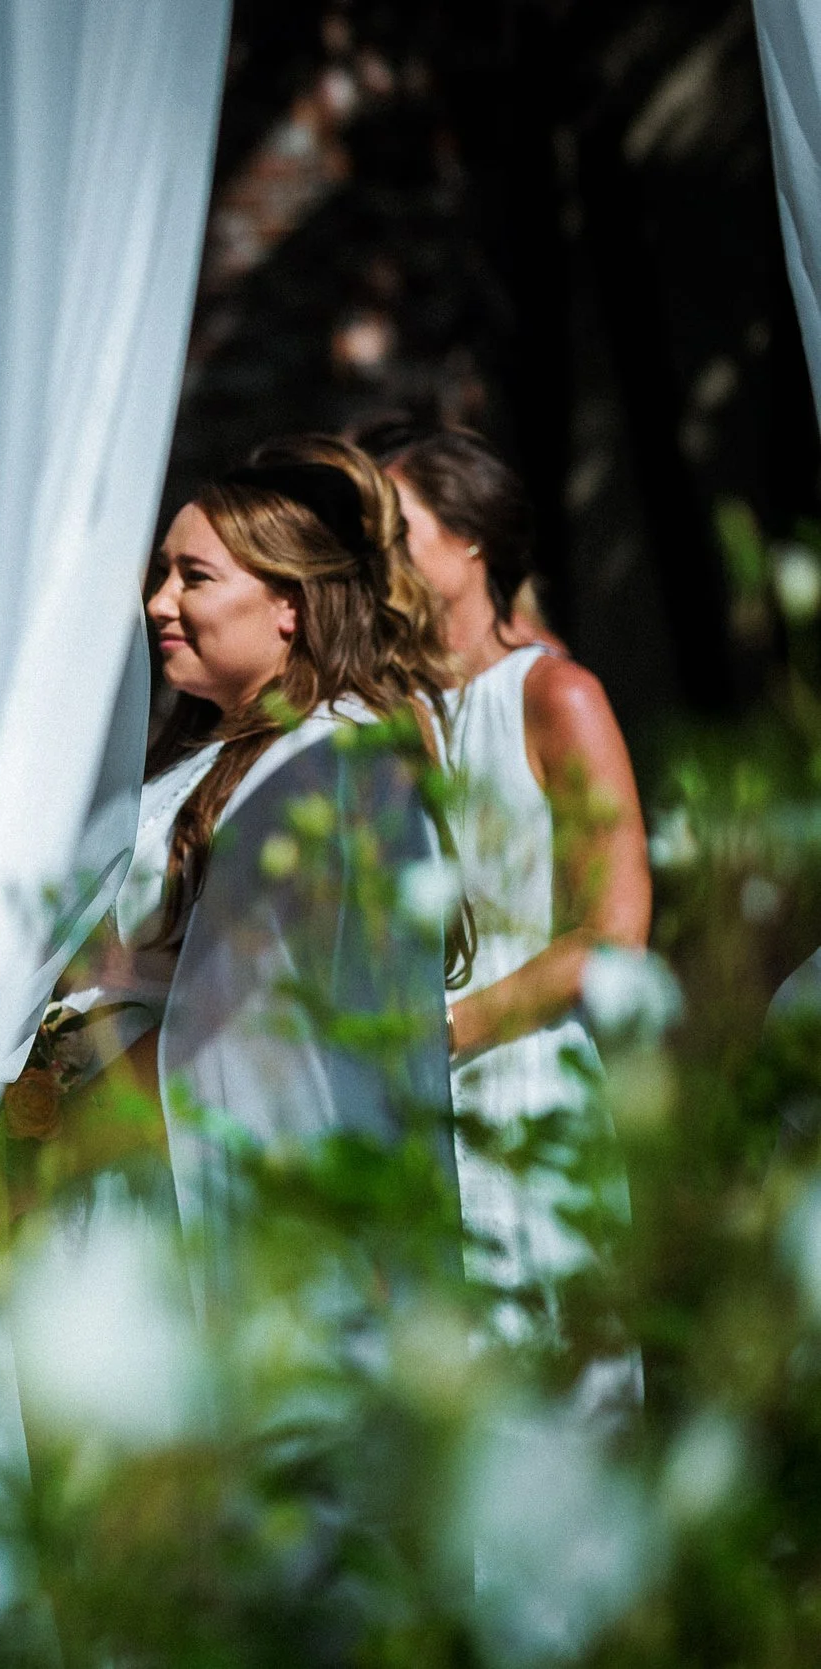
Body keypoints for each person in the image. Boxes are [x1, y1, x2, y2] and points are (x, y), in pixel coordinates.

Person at [14, 436, 461, 1272]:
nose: (158, 603)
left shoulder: (325, 762)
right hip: (134, 1162)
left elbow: (244, 1012)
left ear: (289, 603)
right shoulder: (210, 755)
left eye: (195, 577)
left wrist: (73, 1129)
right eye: (161, 574)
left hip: (185, 1174)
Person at [375, 427, 650, 1377]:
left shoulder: (556, 694)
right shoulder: (378, 712)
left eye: (397, 525)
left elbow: (614, 934)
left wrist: (448, 1029)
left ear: (470, 541)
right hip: (402, 1100)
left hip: (526, 1074)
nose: (377, 550)